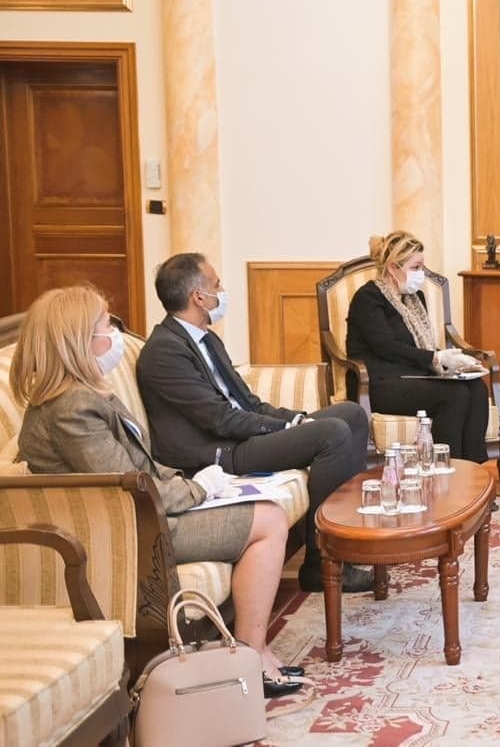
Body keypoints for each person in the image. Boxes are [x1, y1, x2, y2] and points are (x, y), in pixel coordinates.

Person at [10, 286, 305, 697]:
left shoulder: (81, 394)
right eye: (105, 326)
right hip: (132, 531)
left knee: (264, 509)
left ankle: (252, 652)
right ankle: (250, 657)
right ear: (79, 340)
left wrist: (194, 482)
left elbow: (140, 464)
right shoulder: (72, 408)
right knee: (269, 520)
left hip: (138, 515)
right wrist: (197, 490)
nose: (115, 335)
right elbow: (127, 486)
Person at [136, 252, 373, 594]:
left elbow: (247, 402)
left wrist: (294, 418)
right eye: (217, 284)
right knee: (331, 434)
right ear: (199, 297)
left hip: (239, 438)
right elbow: (219, 419)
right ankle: (323, 564)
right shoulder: (164, 352)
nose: (222, 291)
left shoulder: (206, 339)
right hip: (218, 453)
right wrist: (286, 429)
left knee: (350, 414)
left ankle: (351, 541)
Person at [346, 231, 490, 463]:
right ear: (393, 268)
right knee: (454, 396)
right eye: (415, 267)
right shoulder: (368, 298)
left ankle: (472, 468)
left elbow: (421, 346)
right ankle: (444, 468)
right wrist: (435, 358)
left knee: (477, 389)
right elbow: (386, 346)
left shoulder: (414, 298)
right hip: (378, 383)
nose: (421, 274)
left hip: (414, 377)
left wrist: (455, 362)